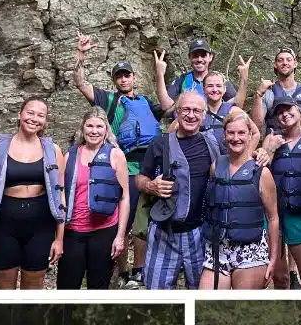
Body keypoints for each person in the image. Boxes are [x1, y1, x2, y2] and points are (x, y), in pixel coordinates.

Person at [74, 37, 164, 288]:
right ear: (115, 80)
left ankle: (139, 271)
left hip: (148, 167)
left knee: (143, 224)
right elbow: (81, 84)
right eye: (119, 77)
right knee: (121, 222)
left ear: (134, 77)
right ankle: (123, 271)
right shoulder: (108, 100)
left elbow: (170, 109)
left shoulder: (145, 102)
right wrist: (81, 56)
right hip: (123, 167)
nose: (124, 80)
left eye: (127, 76)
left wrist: (160, 74)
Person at [0, 97, 66, 290]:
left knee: (33, 290)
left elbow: (61, 196)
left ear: (45, 121)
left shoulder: (53, 150)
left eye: (41, 115)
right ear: (20, 114)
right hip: (4, 226)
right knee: (4, 290)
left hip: (40, 227)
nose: (34, 119)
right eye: (30, 113)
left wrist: (59, 238)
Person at [137, 91, 221, 289]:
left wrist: (263, 150)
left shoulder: (213, 144)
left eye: (196, 111)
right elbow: (139, 179)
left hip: (200, 233)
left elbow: (238, 155)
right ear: (177, 113)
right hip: (164, 232)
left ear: (204, 115)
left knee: (201, 295)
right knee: (158, 295)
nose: (191, 115)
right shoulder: (160, 143)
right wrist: (151, 186)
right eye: (186, 109)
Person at [200, 110, 280, 289]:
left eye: (241, 133)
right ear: (224, 135)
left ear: (250, 135)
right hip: (217, 248)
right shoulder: (216, 166)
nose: (236, 138)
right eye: (231, 132)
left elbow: (273, 218)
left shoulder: (262, 172)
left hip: (250, 250)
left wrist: (273, 259)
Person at [57, 107, 131, 289]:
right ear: (82, 128)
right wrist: (58, 236)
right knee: (67, 286)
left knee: (98, 287)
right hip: (73, 231)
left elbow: (124, 198)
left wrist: (120, 236)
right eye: (90, 126)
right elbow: (60, 196)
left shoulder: (116, 155)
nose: (94, 131)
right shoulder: (70, 156)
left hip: (104, 231)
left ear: (106, 129)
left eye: (99, 126)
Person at [259, 97, 301, 289]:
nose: (285, 114)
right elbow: (258, 170)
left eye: (289, 109)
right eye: (280, 112)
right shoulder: (273, 139)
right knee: (279, 277)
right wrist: (269, 150)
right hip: (274, 215)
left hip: (300, 215)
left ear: (299, 110)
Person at [154, 38, 246, 111]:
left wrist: (244, 78)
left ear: (210, 57)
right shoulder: (182, 80)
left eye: (203, 55)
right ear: (189, 57)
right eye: (195, 55)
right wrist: (160, 74)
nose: (199, 59)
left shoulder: (218, 80)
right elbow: (166, 106)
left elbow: (236, 105)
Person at [252, 47, 301, 135]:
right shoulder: (268, 93)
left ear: (295, 64)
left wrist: (299, 117)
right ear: (275, 64)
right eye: (280, 60)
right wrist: (258, 95)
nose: (285, 63)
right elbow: (256, 126)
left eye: (289, 60)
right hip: (276, 144)